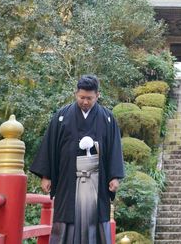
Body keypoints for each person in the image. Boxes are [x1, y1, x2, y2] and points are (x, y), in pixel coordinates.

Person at [30, 75, 125, 244]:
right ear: (75, 94)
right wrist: (46, 176)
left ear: (97, 95)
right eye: (82, 97)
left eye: (90, 98)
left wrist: (114, 176)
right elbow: (50, 145)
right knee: (66, 218)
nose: (85, 102)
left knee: (96, 218)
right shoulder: (62, 116)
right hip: (68, 178)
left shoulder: (107, 118)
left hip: (98, 178)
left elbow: (114, 149)